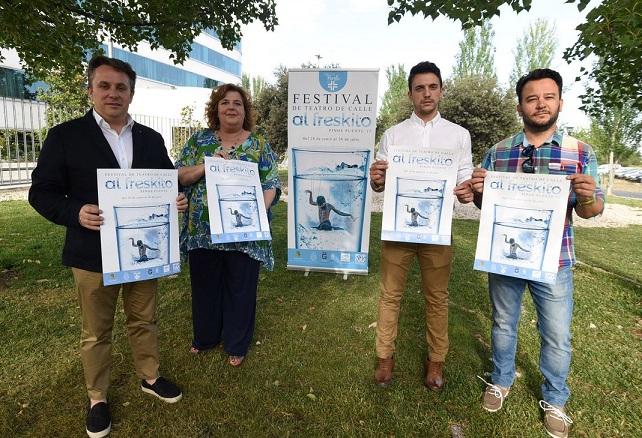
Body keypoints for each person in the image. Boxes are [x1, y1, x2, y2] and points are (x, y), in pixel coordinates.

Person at [29, 55, 186, 438]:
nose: (113, 93)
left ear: (131, 93)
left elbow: (165, 180)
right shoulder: (65, 136)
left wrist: (176, 197)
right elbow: (41, 192)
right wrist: (75, 211)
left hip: (143, 251)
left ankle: (149, 377)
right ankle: (97, 397)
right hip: (92, 253)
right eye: (105, 85)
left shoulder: (150, 138)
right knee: (96, 330)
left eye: (121, 87)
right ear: (90, 90)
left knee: (144, 318)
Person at [469, 69, 604, 438]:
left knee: (557, 335)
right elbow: (486, 205)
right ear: (520, 106)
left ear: (560, 101)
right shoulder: (497, 152)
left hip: (555, 262)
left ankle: (556, 400)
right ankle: (500, 379)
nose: (540, 104)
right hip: (506, 259)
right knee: (502, 323)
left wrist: (589, 194)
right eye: (532, 98)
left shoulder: (581, 153)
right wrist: (478, 190)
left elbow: (591, 211)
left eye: (548, 96)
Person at [369, 61, 474, 391]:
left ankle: (436, 360)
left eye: (432, 86)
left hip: (437, 231)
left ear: (441, 90)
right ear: (410, 93)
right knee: (390, 296)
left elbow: (464, 179)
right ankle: (385, 357)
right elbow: (379, 183)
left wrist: (467, 189)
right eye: (419, 88)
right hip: (398, 231)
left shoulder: (458, 135)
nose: (426, 93)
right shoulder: (393, 135)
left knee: (437, 298)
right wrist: (376, 179)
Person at [176, 84, 280, 368]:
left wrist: (259, 210)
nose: (231, 107)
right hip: (203, 231)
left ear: (245, 111)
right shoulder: (199, 141)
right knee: (205, 286)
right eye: (225, 102)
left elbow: (271, 183)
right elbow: (180, 175)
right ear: (216, 109)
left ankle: (237, 342)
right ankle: (206, 337)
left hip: (245, 232)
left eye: (237, 103)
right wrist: (206, 166)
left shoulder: (258, 144)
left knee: (241, 288)